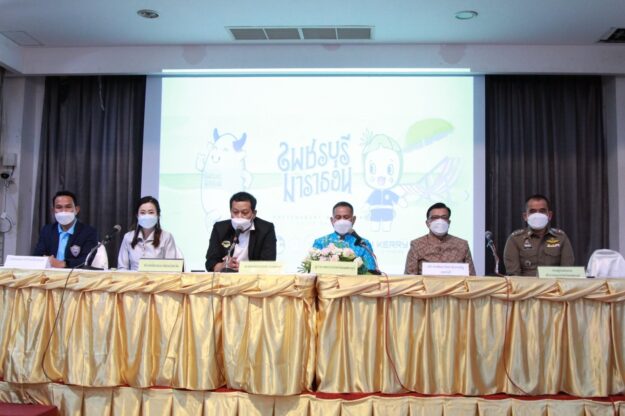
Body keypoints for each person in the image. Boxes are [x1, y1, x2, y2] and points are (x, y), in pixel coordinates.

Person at [503, 194, 574, 277]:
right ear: (525, 216)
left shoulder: (561, 237)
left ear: (549, 215)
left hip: (554, 284)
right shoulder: (515, 239)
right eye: (532, 211)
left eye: (542, 211)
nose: (537, 215)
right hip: (525, 285)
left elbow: (567, 272)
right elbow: (514, 275)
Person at [205, 191, 277, 272]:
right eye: (235, 212)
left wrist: (245, 268)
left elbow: (269, 264)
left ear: (254, 214)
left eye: (245, 213)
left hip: (253, 277)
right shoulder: (220, 228)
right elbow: (210, 262)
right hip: (226, 277)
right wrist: (223, 265)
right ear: (230, 212)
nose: (239, 216)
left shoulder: (266, 229)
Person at [404, 202, 476, 275]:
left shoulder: (462, 245)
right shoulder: (417, 245)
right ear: (427, 223)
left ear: (449, 222)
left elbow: (472, 277)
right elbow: (410, 278)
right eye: (435, 218)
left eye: (444, 217)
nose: (440, 221)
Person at [33, 190, 99, 268]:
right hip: (49, 273)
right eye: (59, 207)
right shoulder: (47, 230)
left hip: (74, 274)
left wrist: (64, 264)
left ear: (76, 210)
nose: (63, 211)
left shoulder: (88, 232)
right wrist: (45, 259)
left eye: (68, 207)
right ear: (53, 210)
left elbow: (87, 259)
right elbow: (37, 255)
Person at [312, 201, 378, 272]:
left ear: (353, 220)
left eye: (346, 217)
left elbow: (371, 271)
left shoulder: (363, 244)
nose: (342, 221)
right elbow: (312, 270)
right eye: (338, 217)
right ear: (332, 220)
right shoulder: (320, 242)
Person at [117, 196, 179, 271]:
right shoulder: (128, 237)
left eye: (151, 212)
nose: (147, 216)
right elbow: (122, 267)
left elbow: (172, 270)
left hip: (158, 278)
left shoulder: (166, 237)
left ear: (158, 215)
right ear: (137, 216)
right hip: (133, 278)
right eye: (142, 213)